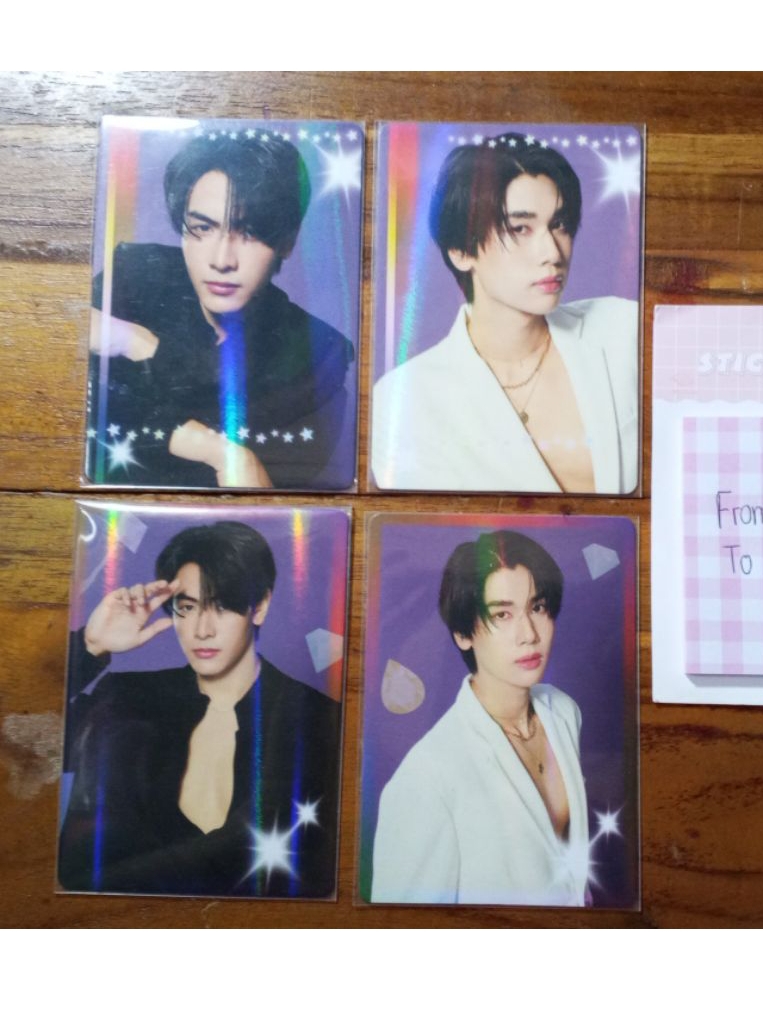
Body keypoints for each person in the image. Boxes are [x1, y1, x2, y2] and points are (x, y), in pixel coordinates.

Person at [57, 521, 340, 898]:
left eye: (221, 606)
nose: (202, 630)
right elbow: (27, 747)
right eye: (187, 608)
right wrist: (91, 647)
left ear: (259, 606)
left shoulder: (313, 716)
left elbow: (265, 854)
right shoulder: (127, 697)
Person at [371, 132, 638, 494]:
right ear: (461, 251)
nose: (552, 252)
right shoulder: (404, 401)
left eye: (558, 224)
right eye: (520, 228)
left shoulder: (624, 329)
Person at [86, 130, 355, 489]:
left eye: (249, 232)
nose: (221, 260)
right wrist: (216, 449)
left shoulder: (318, 351)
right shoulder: (135, 276)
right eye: (202, 227)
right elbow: (82, 417)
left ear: (287, 242)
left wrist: (143, 348)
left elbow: (265, 489)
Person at [371, 530, 590, 906]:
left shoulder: (564, 712)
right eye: (502, 614)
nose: (529, 634)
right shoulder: (426, 777)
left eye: (537, 607)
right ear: (462, 633)